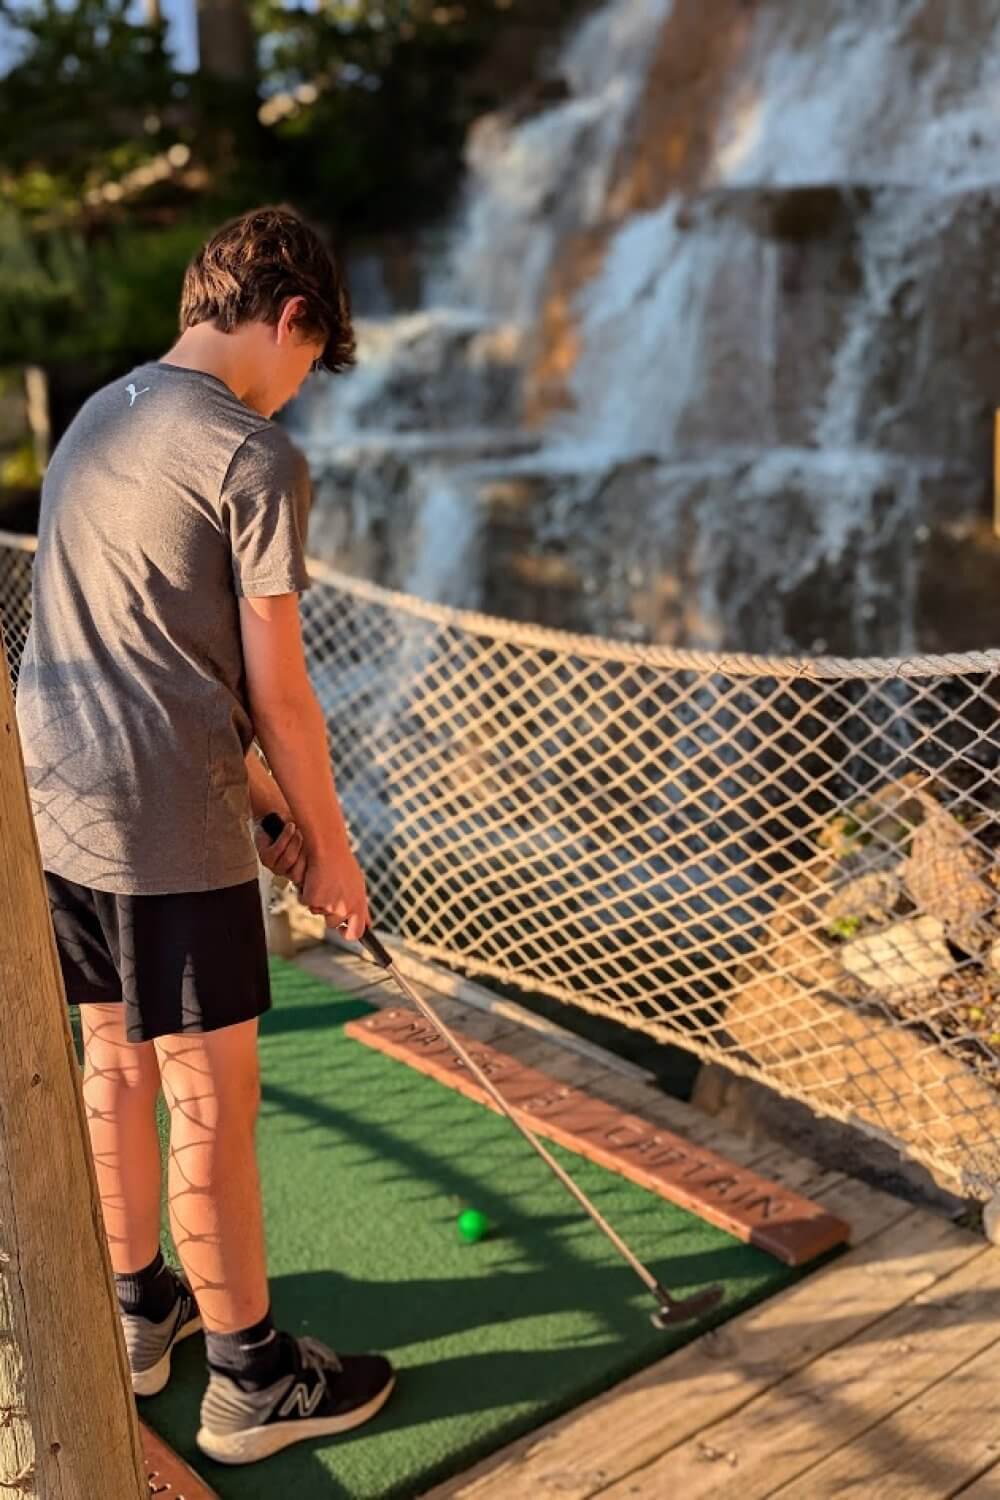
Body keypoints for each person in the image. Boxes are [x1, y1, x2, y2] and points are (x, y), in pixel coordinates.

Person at [13, 204, 396, 1466]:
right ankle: (251, 1377)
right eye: (307, 366)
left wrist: (271, 805)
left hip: (59, 795)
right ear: (293, 318)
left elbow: (147, 655)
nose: (295, 398)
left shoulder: (100, 415)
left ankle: (138, 1310)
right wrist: (333, 852)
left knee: (113, 1057)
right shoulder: (248, 456)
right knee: (210, 1092)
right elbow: (282, 693)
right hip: (162, 818)